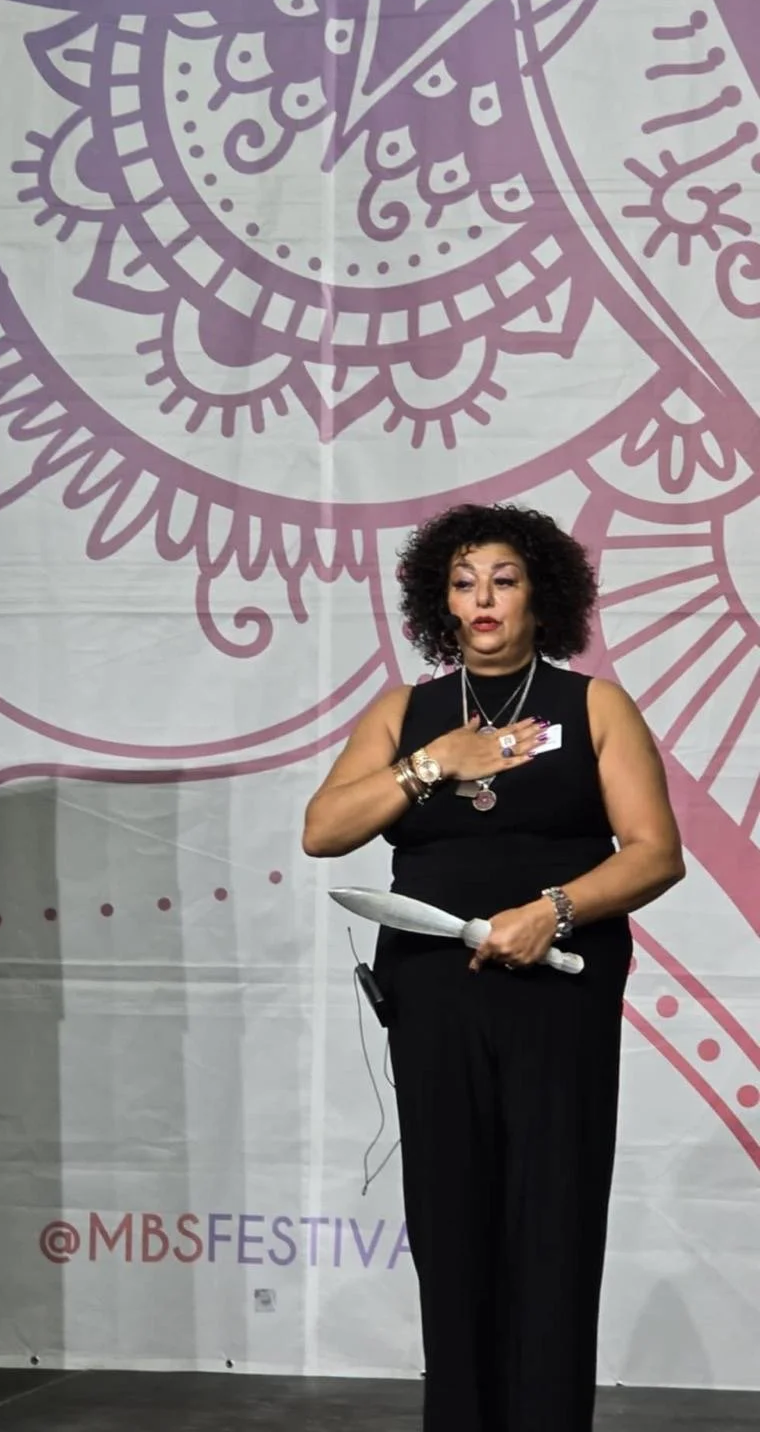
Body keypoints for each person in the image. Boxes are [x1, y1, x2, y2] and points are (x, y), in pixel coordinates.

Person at [302, 503, 683, 1432]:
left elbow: (654, 852)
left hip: (559, 977)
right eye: (464, 582)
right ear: (441, 602)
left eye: (503, 580)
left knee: (552, 1210)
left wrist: (551, 910)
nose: (483, 599)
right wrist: (432, 765)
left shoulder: (594, 705)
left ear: (539, 596)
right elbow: (323, 830)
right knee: (448, 1209)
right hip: (433, 988)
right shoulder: (408, 713)